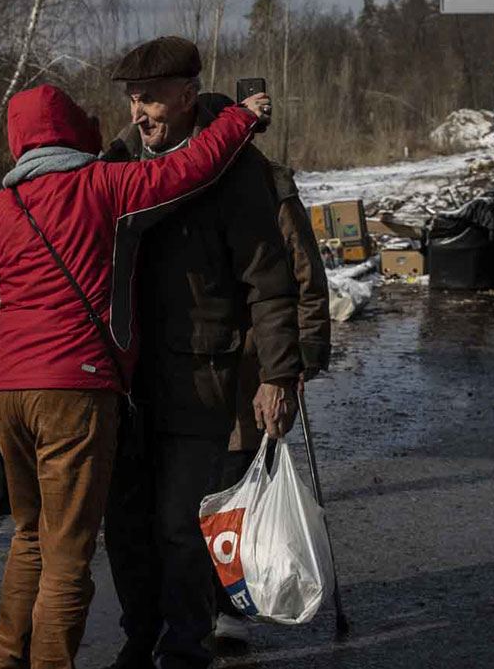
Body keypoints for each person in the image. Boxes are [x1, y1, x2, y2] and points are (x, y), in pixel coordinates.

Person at [0, 82, 267, 669]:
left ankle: (6, 662)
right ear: (75, 131)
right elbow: (190, 169)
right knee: (69, 557)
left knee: (29, 537)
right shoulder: (105, 185)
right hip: (74, 390)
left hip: (4, 391)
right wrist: (237, 120)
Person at [101, 37, 303, 669]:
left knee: (177, 524)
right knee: (128, 528)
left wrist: (280, 373)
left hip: (202, 376)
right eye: (134, 100)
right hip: (128, 383)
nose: (140, 114)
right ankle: (142, 638)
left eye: (152, 100)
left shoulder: (237, 170)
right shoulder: (118, 160)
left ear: (188, 96)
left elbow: (270, 281)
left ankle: (186, 648)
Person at [194, 93, 332, 649]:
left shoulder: (269, 183)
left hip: (253, 364)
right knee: (194, 486)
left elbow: (306, 273)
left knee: (233, 484)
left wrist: (304, 358)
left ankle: (229, 605)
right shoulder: (177, 179)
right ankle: (196, 603)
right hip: (194, 364)